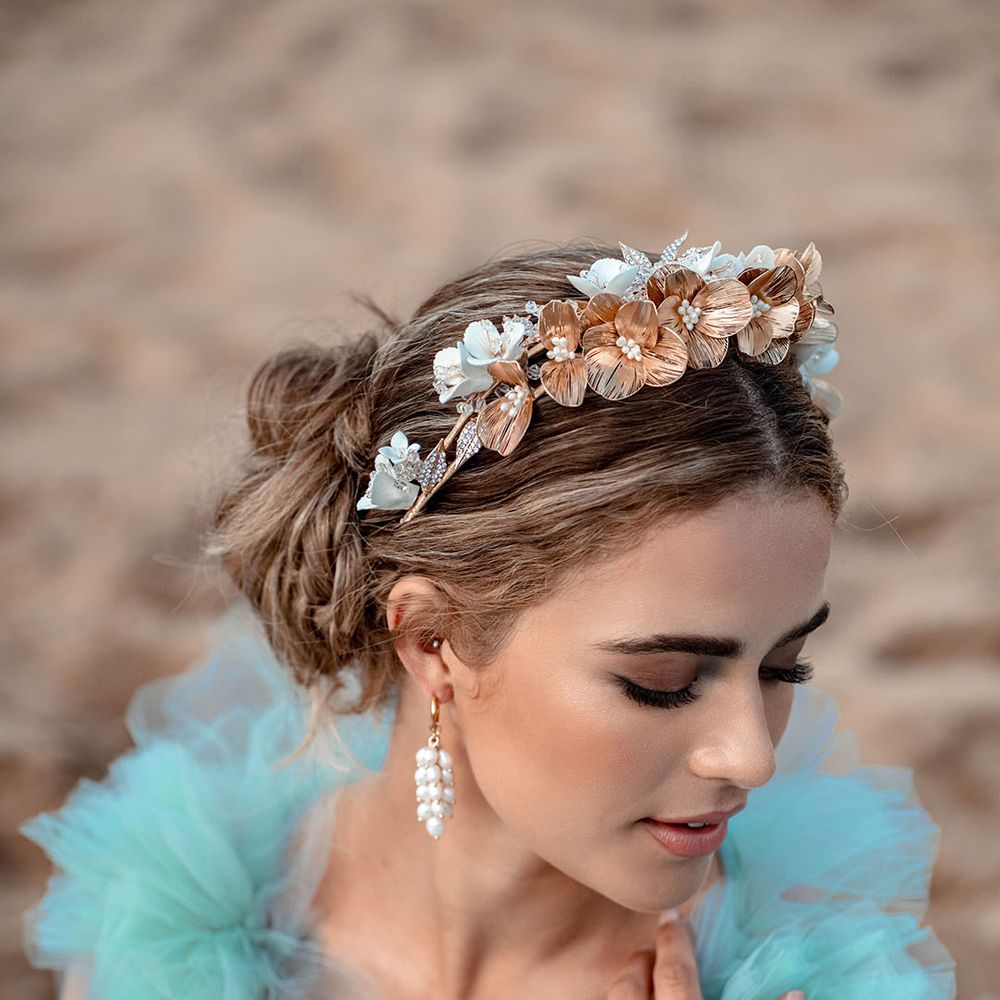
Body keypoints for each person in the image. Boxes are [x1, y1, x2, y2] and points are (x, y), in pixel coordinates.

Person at [19, 236, 958, 999]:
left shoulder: (809, 978)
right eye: (662, 683)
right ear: (432, 641)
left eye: (784, 668)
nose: (752, 758)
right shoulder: (171, 925)